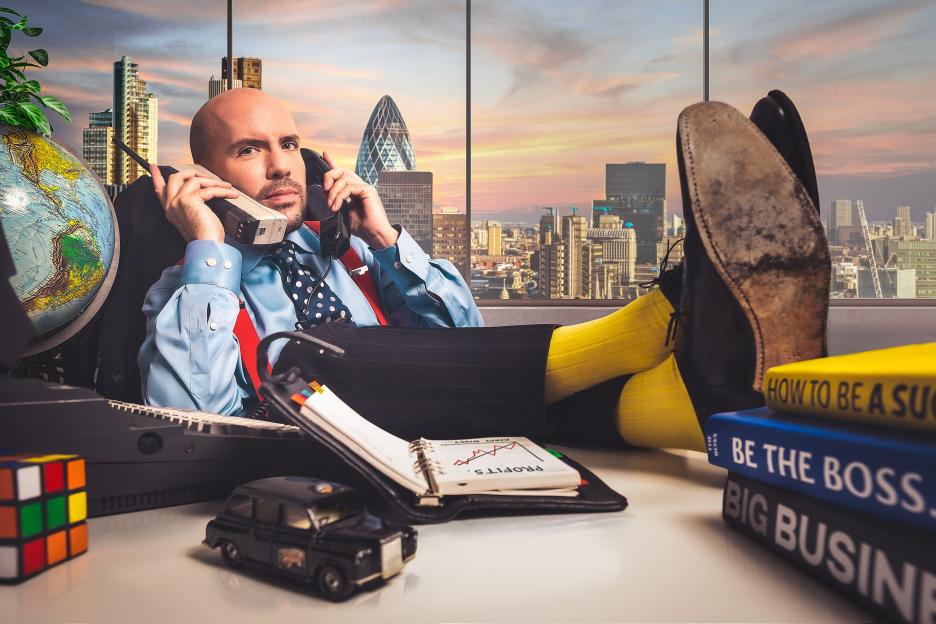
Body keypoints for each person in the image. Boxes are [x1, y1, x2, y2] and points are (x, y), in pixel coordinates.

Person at [140, 88, 830, 454]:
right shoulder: (189, 289)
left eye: (290, 144)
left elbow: (464, 337)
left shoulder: (348, 250)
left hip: (427, 438)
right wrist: (208, 251)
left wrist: (386, 240)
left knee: (556, 400)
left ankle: (694, 404)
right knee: (316, 353)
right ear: (202, 177)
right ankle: (668, 312)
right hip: (309, 449)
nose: (283, 165)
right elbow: (190, 426)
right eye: (250, 150)